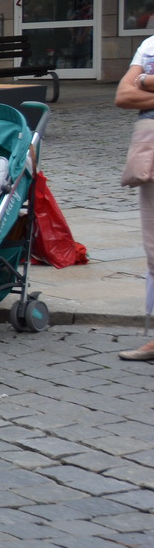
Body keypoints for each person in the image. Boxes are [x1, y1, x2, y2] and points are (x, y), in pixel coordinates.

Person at [115, 38, 154, 360]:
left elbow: (135, 89)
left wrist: (145, 81)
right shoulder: (150, 45)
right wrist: (142, 81)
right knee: (153, 247)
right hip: (150, 153)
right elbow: (123, 95)